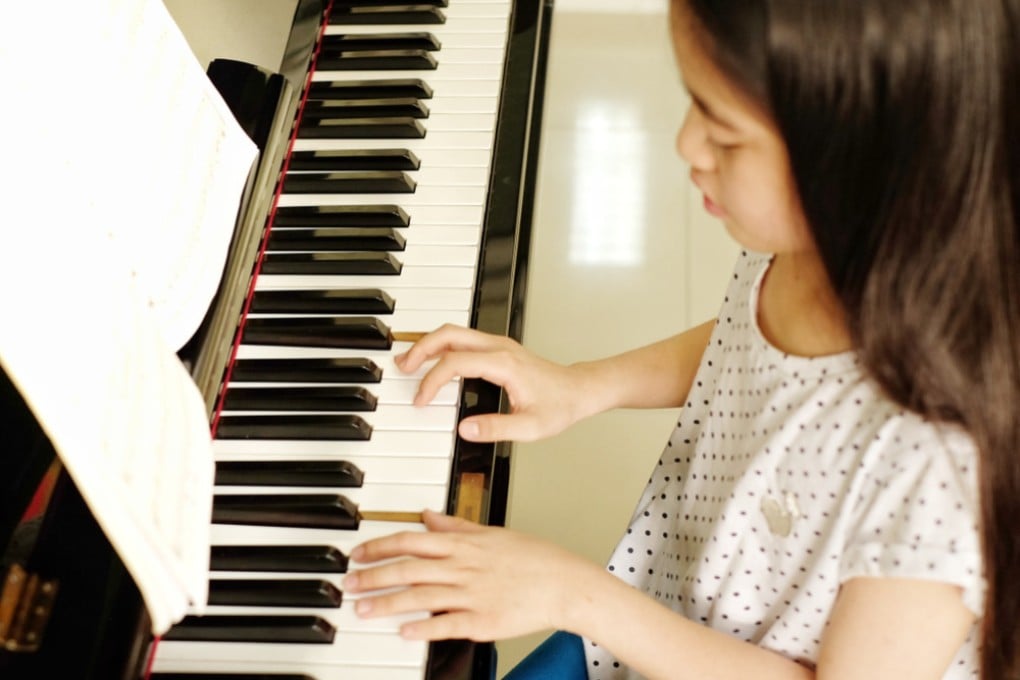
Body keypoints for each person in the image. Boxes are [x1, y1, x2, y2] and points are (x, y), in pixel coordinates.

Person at [339, 0, 1020, 677]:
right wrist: (583, 386)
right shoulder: (805, 240)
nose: (686, 145)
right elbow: (746, 349)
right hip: (658, 618)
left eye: (724, 135)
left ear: (861, 166)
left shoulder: (944, 462)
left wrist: (572, 594)